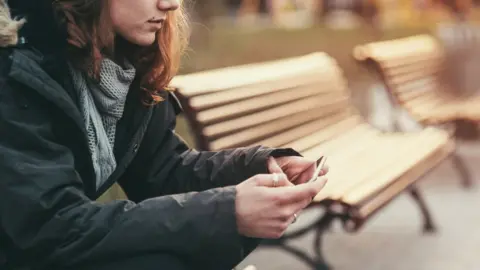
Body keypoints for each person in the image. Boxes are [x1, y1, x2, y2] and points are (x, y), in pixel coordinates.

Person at [0, 0, 329, 270]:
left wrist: (260, 168)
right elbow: (53, 227)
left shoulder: (122, 63)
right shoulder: (14, 70)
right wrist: (229, 211)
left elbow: (163, 171)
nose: (170, 4)